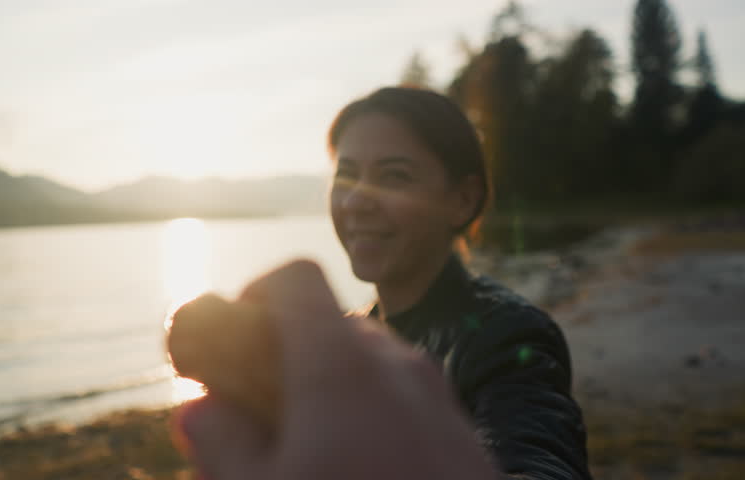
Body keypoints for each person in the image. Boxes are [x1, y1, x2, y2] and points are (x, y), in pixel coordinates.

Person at [177, 87, 592, 479]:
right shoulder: (352, 340)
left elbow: (539, 460)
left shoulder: (508, 335)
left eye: (394, 177)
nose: (357, 201)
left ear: (462, 199)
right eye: (347, 176)